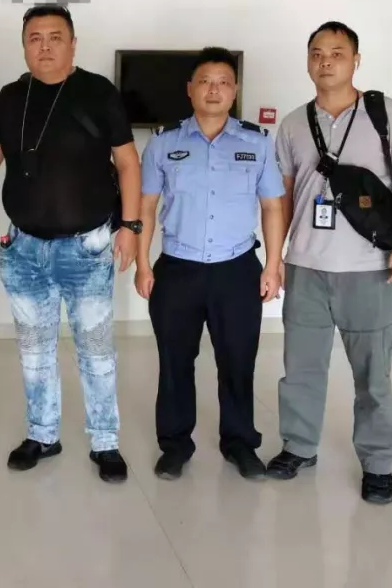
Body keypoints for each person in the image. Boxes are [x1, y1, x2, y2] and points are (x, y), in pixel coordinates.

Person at [268, 21, 392, 505]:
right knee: (300, 369)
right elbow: (283, 197)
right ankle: (299, 446)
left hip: (370, 268)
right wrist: (276, 259)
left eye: (337, 52)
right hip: (307, 267)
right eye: (317, 53)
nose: (326, 61)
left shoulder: (385, 113)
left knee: (373, 375)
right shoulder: (293, 123)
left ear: (356, 60)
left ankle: (378, 464)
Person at [0, 4, 143, 484]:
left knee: (95, 350)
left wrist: (131, 227)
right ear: (24, 45)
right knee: (35, 351)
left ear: (73, 43)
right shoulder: (11, 97)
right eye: (35, 38)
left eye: (56, 37)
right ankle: (43, 434)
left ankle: (105, 441)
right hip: (24, 250)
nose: (45, 46)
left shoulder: (98, 92)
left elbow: (128, 163)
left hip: (86, 248)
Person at [135, 47, 285, 481]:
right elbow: (146, 207)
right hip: (177, 268)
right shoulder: (164, 142)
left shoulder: (257, 143)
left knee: (238, 361)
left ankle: (240, 444)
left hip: (237, 268)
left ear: (235, 90)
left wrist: (273, 265)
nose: (214, 89)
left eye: (223, 82)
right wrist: (143, 263)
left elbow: (272, 207)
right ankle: (175, 445)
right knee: (174, 362)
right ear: (190, 89)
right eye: (205, 81)